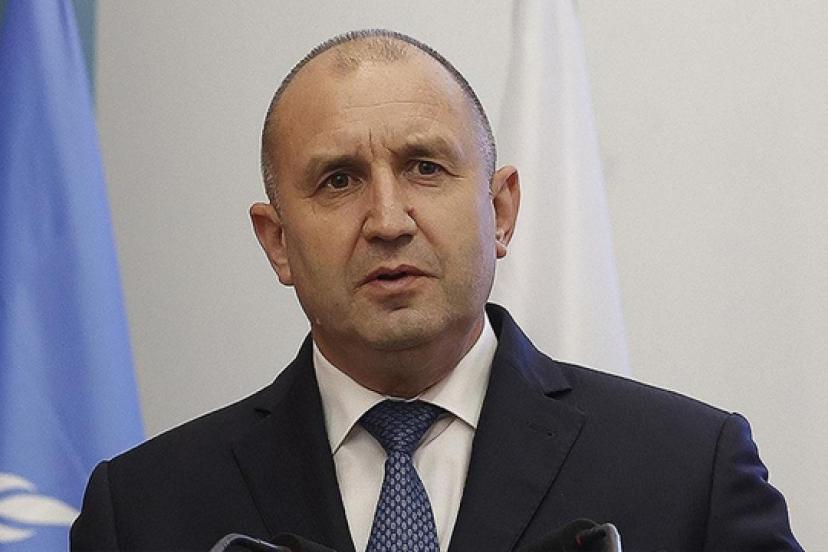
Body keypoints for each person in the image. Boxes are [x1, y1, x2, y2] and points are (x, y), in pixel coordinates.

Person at [71, 30, 801, 552]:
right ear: (278, 242)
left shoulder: (687, 472)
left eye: (425, 168)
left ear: (501, 211)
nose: (388, 221)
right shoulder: (143, 511)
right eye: (338, 180)